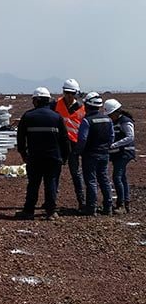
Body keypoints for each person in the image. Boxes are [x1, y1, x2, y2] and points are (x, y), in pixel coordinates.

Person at [15, 88, 70, 221]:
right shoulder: (57, 117)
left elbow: (20, 137)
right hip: (53, 157)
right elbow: (64, 139)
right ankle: (51, 212)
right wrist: (65, 157)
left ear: (37, 100)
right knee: (51, 183)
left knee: (33, 184)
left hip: (34, 157)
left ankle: (28, 211)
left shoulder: (28, 116)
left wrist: (23, 153)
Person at [75, 92, 114, 216]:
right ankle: (108, 206)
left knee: (91, 180)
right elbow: (112, 136)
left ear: (88, 105)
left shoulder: (87, 121)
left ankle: (91, 207)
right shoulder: (108, 119)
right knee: (104, 179)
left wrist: (79, 151)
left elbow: (83, 139)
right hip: (104, 153)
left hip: (90, 154)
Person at [50, 78, 85, 211]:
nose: (69, 96)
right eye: (66, 92)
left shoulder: (82, 108)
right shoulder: (55, 105)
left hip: (74, 145)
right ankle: (52, 200)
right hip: (59, 144)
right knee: (55, 173)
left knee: (75, 173)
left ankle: (81, 200)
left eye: (71, 93)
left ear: (76, 93)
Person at [104, 98, 136, 213]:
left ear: (116, 112)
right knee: (122, 177)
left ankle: (121, 204)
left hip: (125, 153)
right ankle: (125, 203)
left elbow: (130, 137)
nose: (109, 117)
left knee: (117, 177)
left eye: (110, 114)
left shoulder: (125, 121)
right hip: (119, 153)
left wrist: (114, 145)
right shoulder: (115, 121)